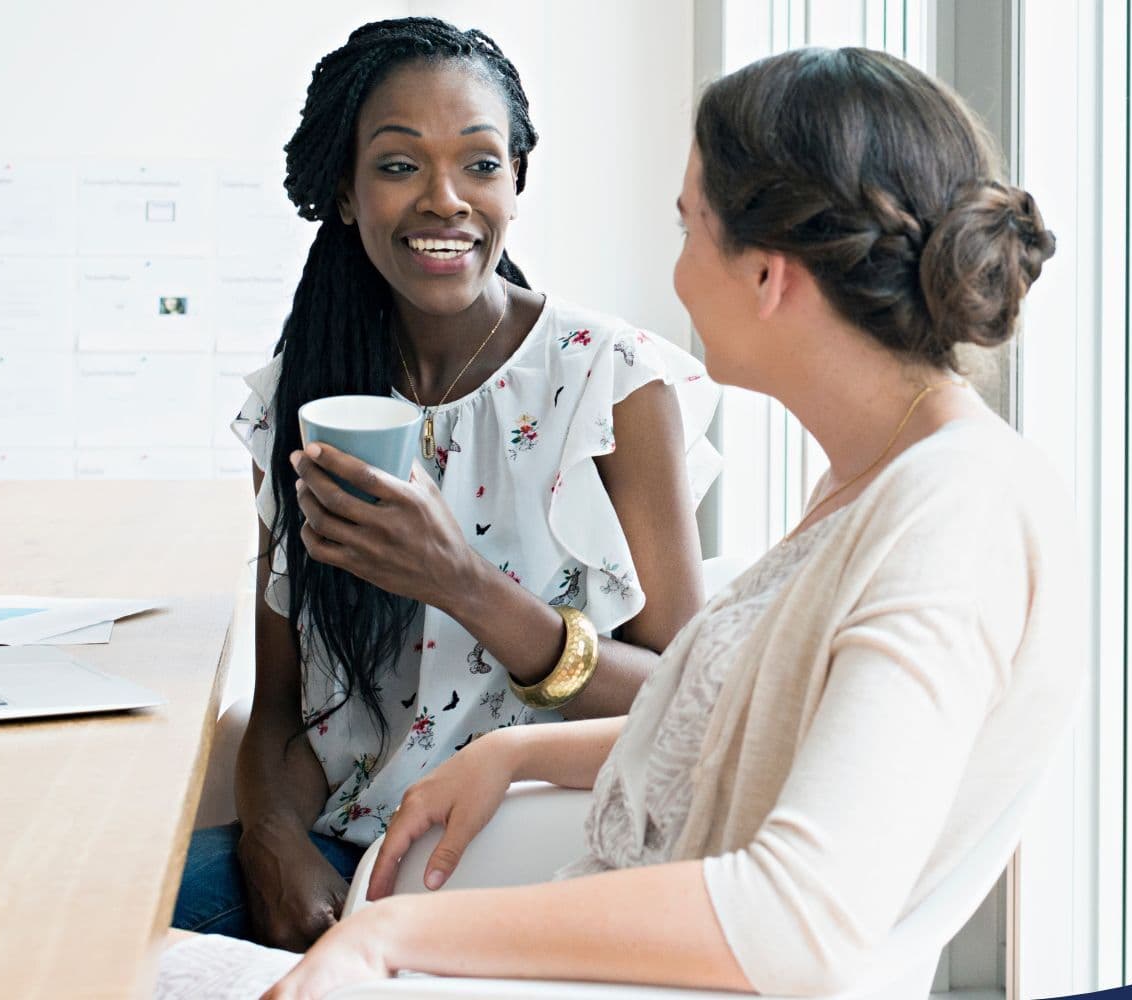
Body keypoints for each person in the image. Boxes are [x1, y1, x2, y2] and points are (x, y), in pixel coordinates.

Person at [243, 44, 1082, 999]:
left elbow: (794, 922)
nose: (675, 275)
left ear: (766, 275)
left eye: (689, 230)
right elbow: (757, 730)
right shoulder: (881, 482)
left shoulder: (951, 519)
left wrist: (393, 935)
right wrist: (519, 749)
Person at [169, 17, 720, 952]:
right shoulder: (297, 401)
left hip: (540, 865)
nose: (444, 200)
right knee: (77, 926)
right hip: (349, 856)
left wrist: (457, 581)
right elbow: (282, 710)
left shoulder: (613, 385)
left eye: (479, 164)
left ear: (517, 182)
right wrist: (273, 845)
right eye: (396, 166)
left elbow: (684, 704)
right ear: (343, 193)